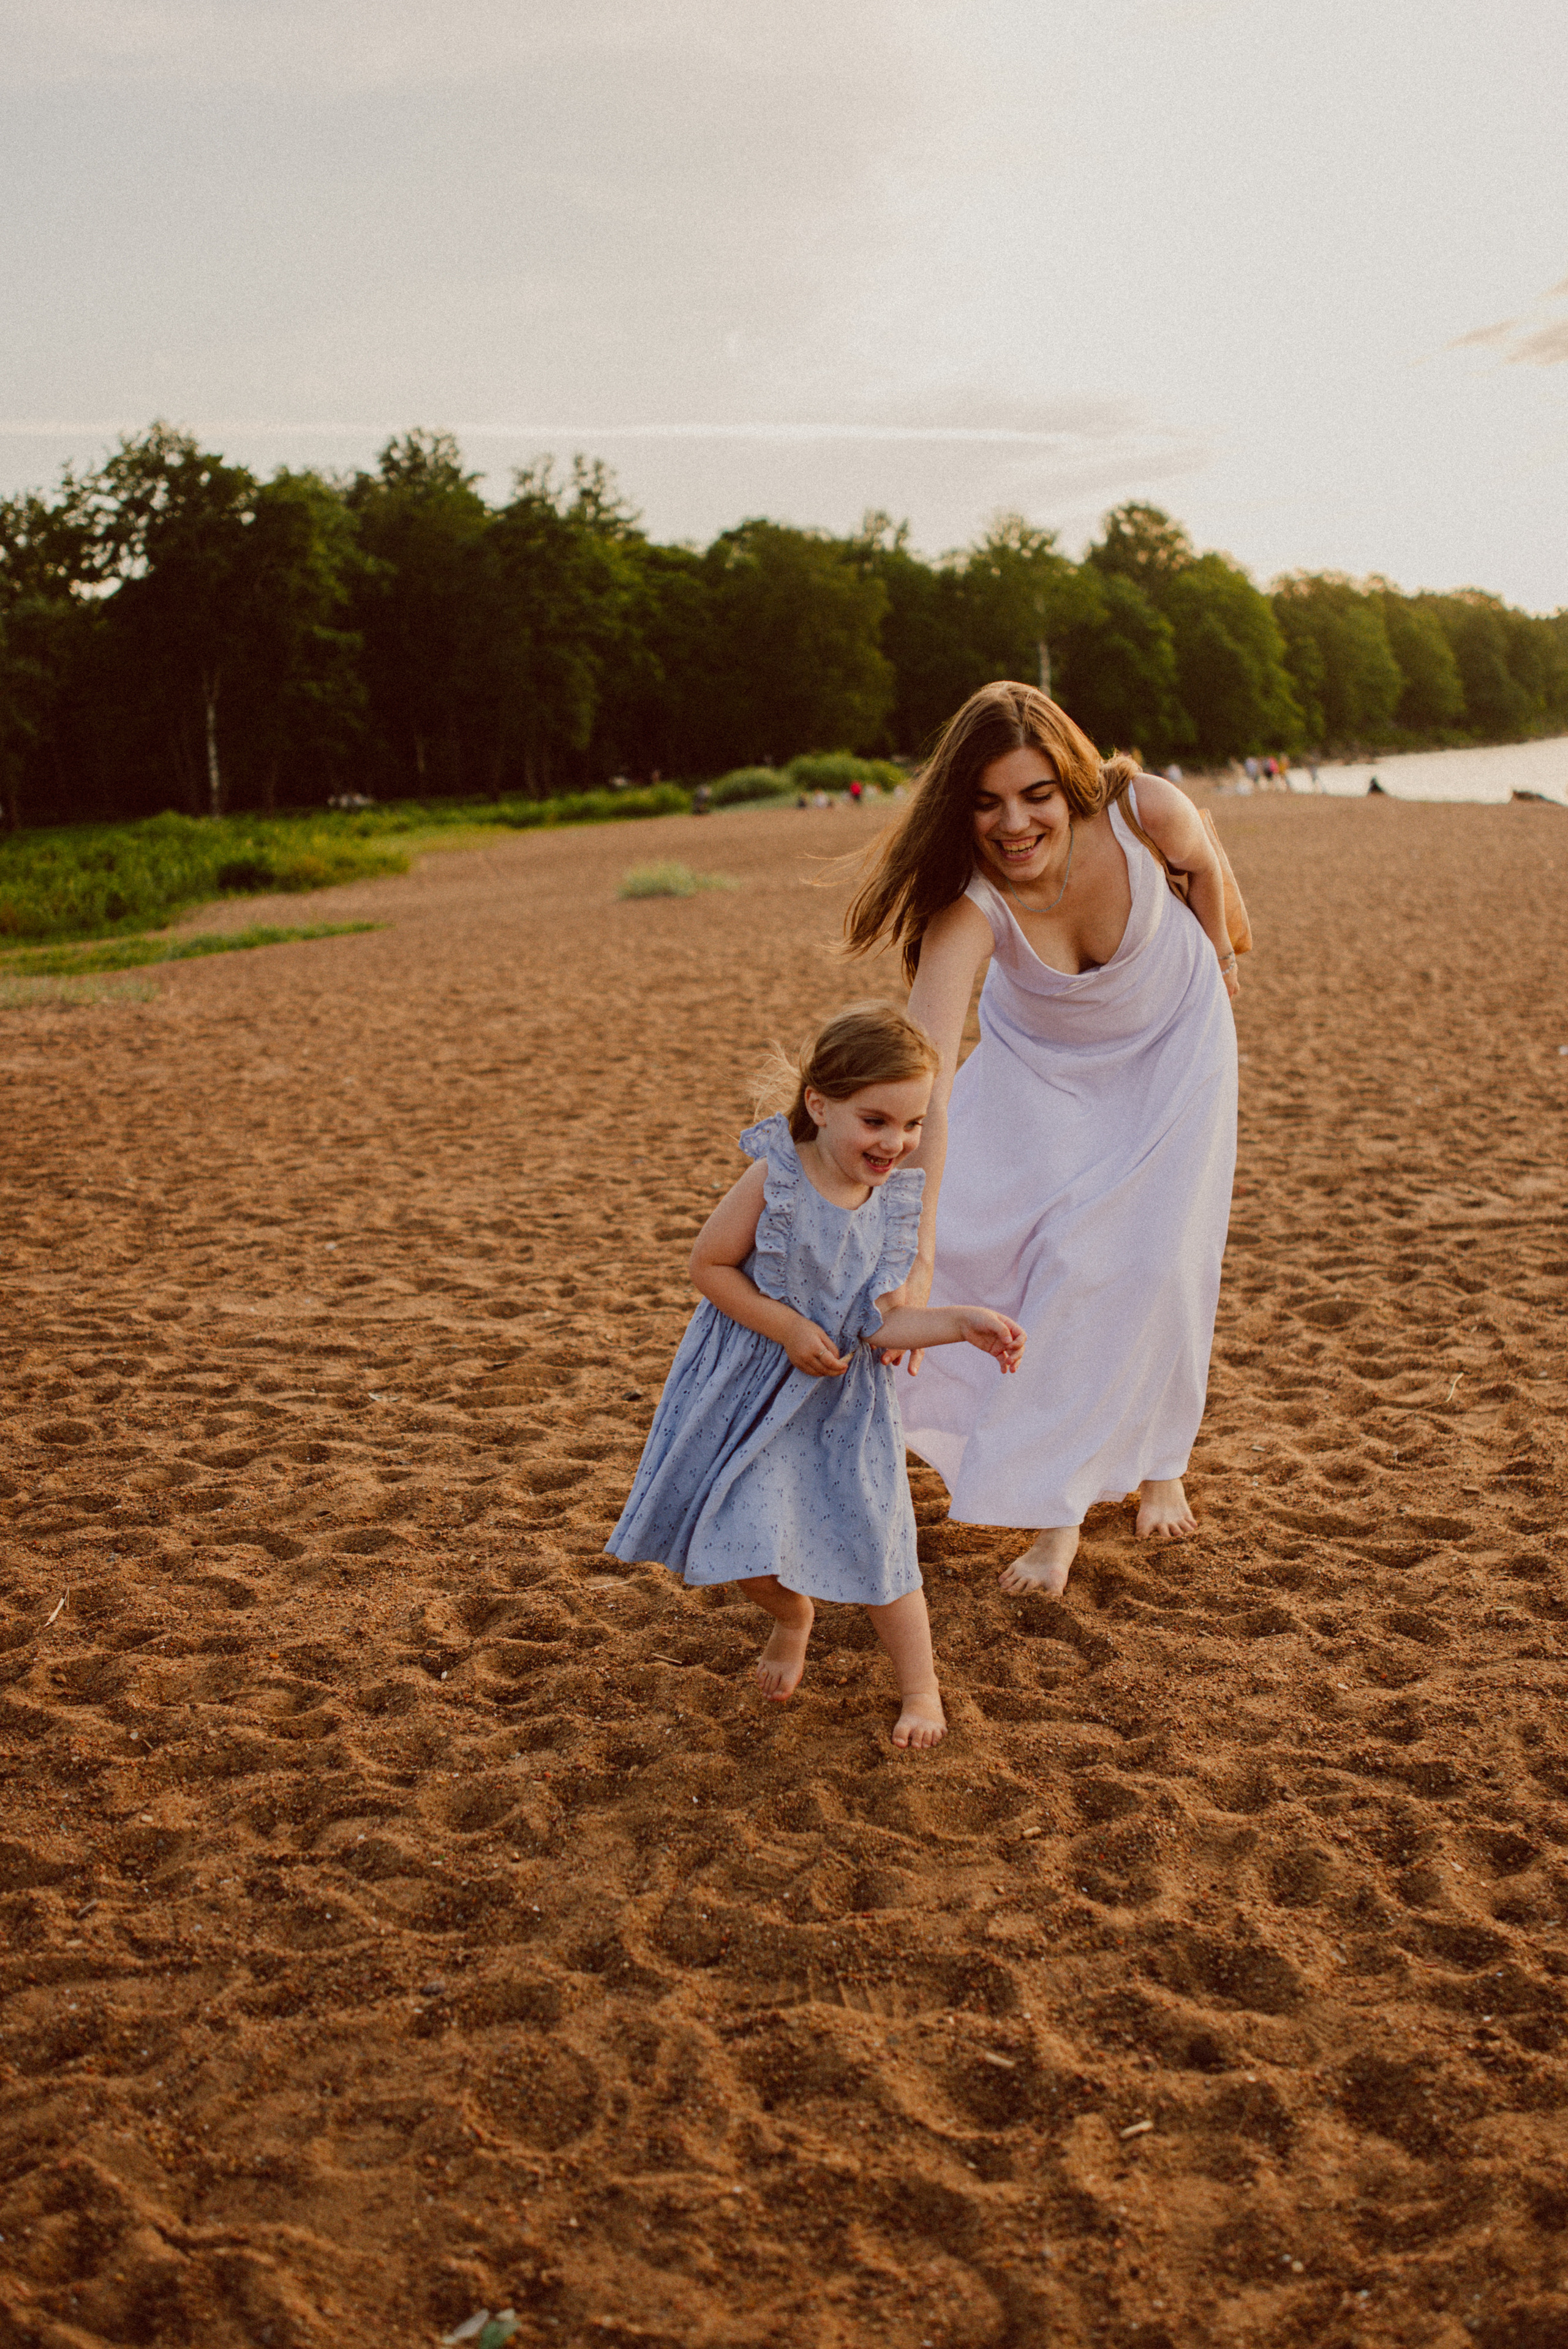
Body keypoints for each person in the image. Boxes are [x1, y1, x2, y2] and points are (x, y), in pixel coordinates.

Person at [843, 682, 1238, 1597]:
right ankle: (1057, 1513)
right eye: (986, 802)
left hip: (1177, 1047)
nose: (1013, 822)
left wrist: (1216, 959)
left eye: (1035, 795)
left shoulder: (1145, 811)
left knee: (1158, 1261)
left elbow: (1208, 866)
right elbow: (927, 1072)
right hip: (1046, 1076)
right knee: (1045, 1257)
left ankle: (1160, 1461)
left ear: (1072, 784)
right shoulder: (972, 907)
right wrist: (922, 1246)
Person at [605, 1003, 1025, 1748]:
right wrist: (790, 1327)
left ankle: (920, 1687)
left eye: (913, 1124)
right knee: (741, 1536)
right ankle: (791, 1617)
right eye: (876, 1121)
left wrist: (961, 1322)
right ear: (819, 1105)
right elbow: (708, 1266)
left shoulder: (890, 1202)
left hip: (842, 1406)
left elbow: (876, 1323)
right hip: (752, 1387)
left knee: (879, 1540)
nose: (896, 1142)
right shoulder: (778, 1177)